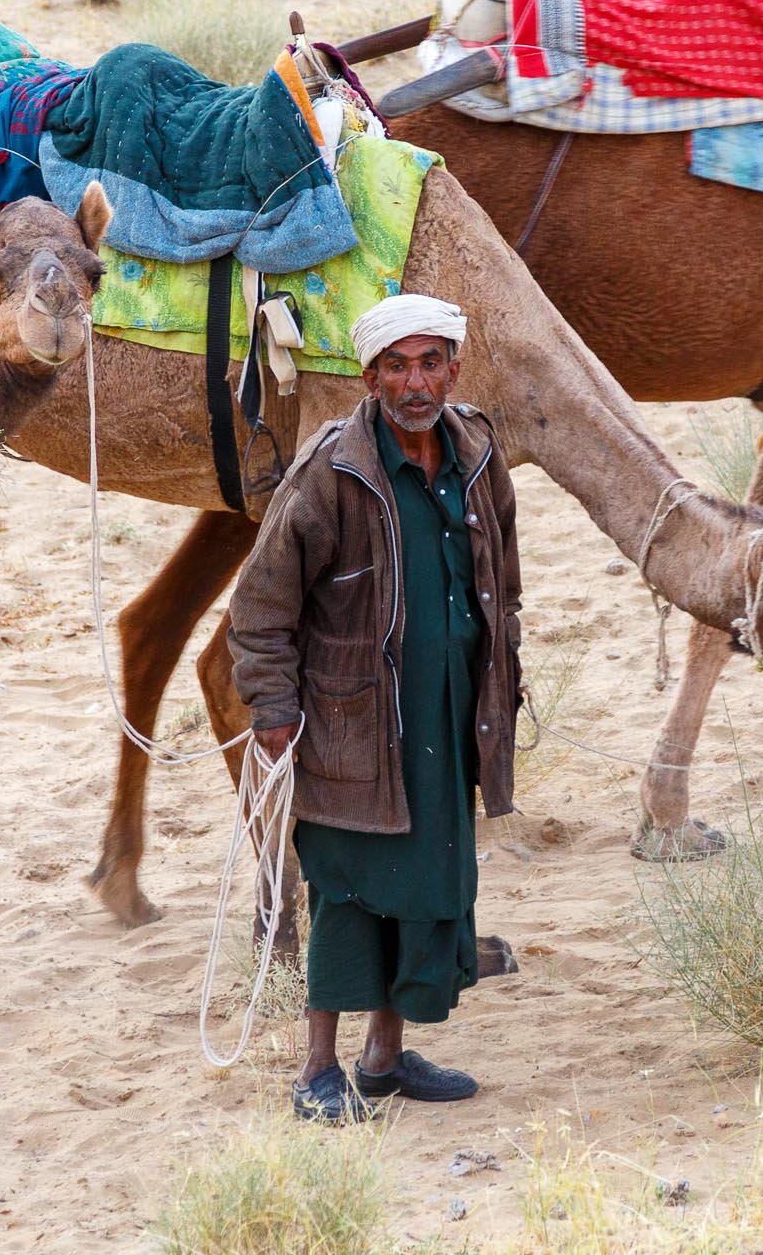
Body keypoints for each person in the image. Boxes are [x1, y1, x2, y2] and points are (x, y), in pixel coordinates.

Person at [228, 292, 524, 1124]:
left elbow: (502, 576)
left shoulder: (477, 453)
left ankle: (385, 1058)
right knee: (349, 893)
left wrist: (502, 674)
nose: (415, 382)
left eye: (430, 362)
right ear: (370, 378)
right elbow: (259, 607)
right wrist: (275, 706)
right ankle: (319, 1071)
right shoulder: (332, 469)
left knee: (430, 883)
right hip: (349, 727)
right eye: (396, 366)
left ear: (453, 369)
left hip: (451, 715)